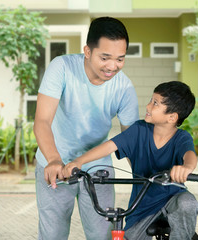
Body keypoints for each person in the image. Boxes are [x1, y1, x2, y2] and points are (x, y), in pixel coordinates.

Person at [33, 16, 139, 240]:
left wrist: (145, 172)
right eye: (105, 57)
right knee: (53, 234)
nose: (112, 66)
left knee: (102, 234)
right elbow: (42, 121)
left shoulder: (124, 87)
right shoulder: (61, 67)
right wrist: (53, 159)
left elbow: (131, 138)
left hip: (97, 166)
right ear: (88, 51)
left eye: (120, 59)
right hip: (55, 164)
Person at [63, 81, 198, 240]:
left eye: (155, 103)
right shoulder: (139, 130)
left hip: (173, 200)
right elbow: (109, 146)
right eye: (150, 100)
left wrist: (187, 168)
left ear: (172, 117)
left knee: (187, 203)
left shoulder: (181, 138)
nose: (148, 106)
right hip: (143, 206)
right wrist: (78, 161)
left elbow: (189, 155)